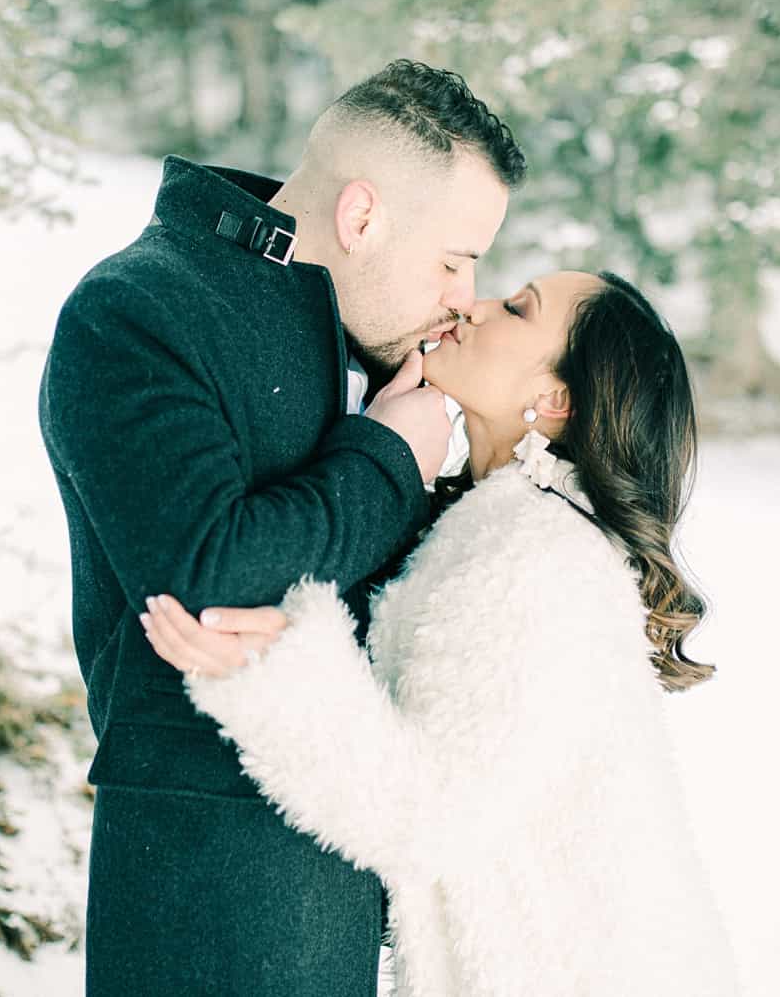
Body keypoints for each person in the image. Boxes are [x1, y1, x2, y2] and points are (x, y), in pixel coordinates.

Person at [36, 60, 526, 996]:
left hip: (350, 835)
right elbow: (209, 574)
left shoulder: (353, 334)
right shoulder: (137, 309)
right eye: (455, 258)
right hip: (209, 857)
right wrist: (388, 453)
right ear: (363, 216)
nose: (464, 292)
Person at [144, 271, 743, 996]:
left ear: (556, 400)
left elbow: (426, 816)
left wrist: (278, 667)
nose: (474, 303)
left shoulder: (539, 557)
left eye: (517, 310)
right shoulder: (515, 528)